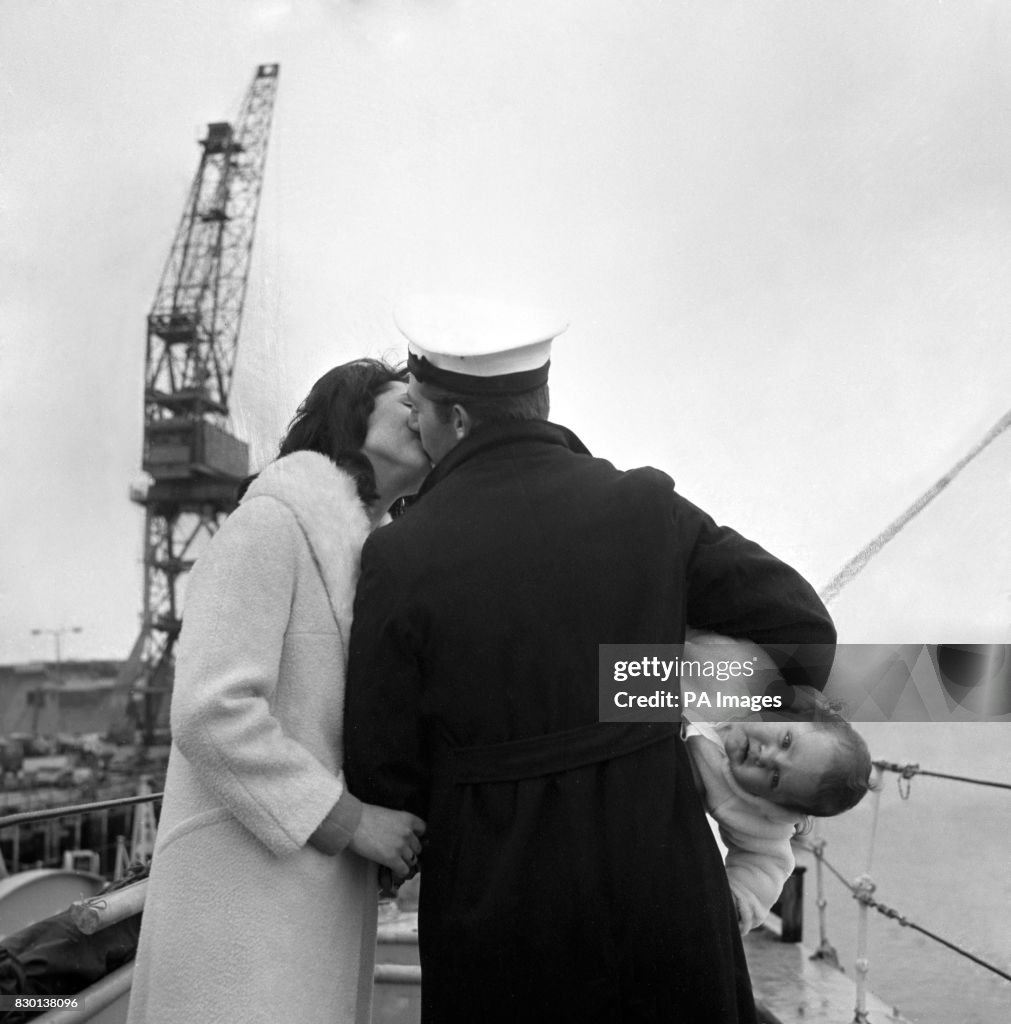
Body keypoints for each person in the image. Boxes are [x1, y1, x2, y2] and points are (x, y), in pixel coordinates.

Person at [343, 294, 837, 1024]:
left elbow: (382, 758)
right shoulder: (643, 507)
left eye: (420, 409)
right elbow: (803, 635)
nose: (415, 422)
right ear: (539, 399)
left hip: (492, 895)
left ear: (457, 418)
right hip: (656, 878)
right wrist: (642, 689)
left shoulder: (399, 552)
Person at [127, 360, 429, 1024]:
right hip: (241, 901)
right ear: (350, 415)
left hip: (295, 894)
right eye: (403, 399)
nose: (420, 413)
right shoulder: (271, 523)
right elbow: (211, 709)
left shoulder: (359, 553)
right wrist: (352, 821)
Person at [682, 631, 873, 934]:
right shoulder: (747, 674)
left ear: (776, 803)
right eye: (785, 741)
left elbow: (766, 863)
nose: (767, 756)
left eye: (774, 778)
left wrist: (739, 900)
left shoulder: (755, 812)